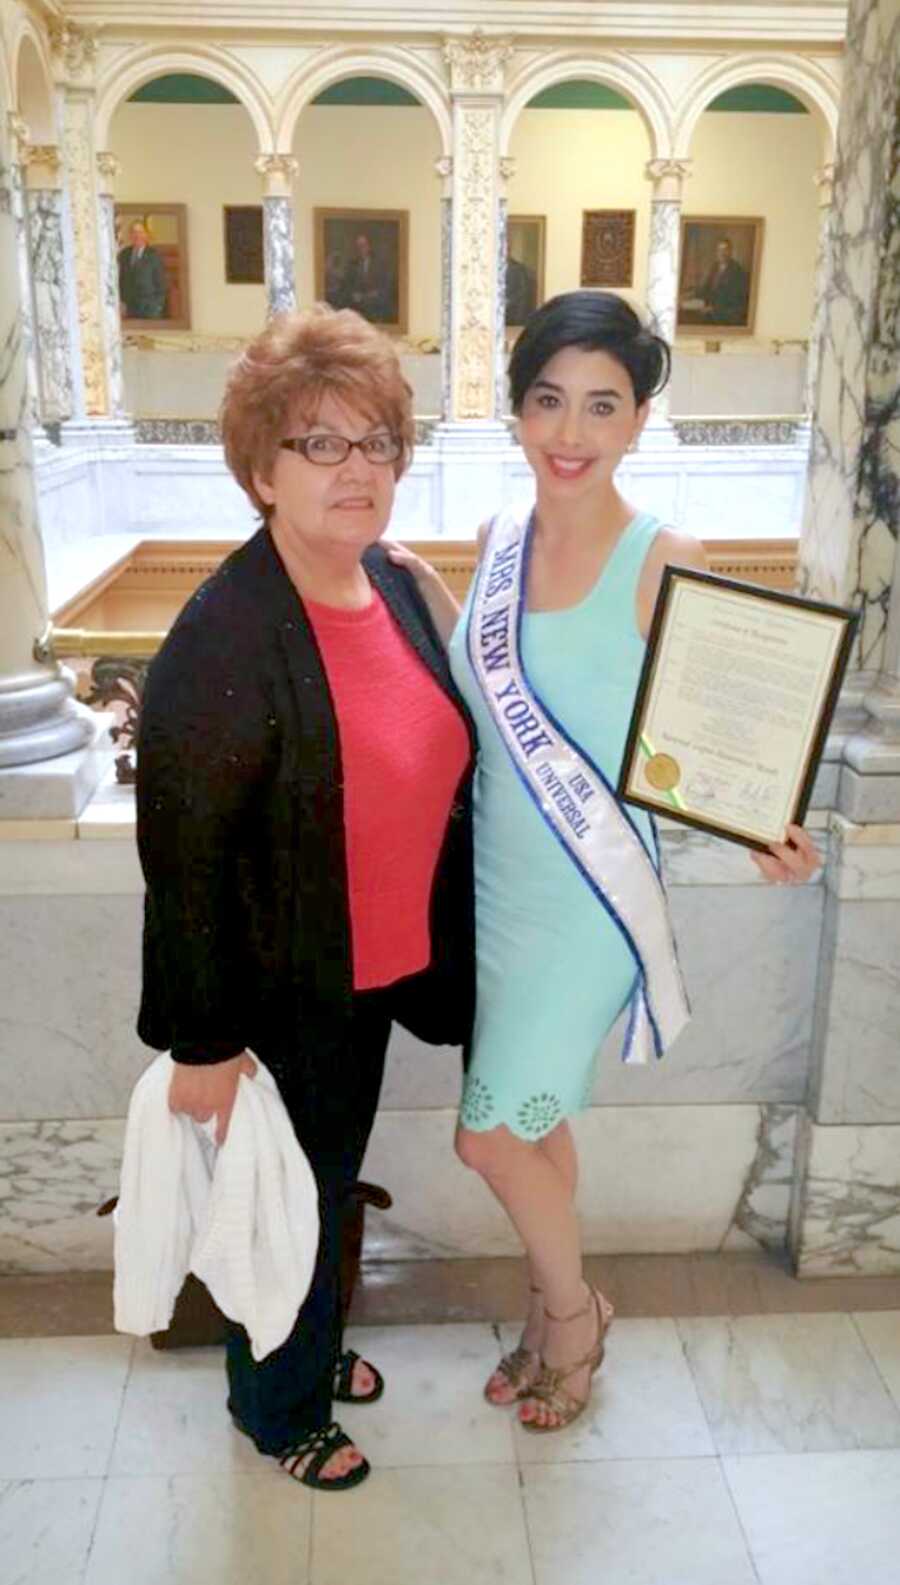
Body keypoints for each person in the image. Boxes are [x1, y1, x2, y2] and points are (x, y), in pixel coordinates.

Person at [388, 290, 818, 1434]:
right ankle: (544, 1309)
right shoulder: (497, 540)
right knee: (533, 1122)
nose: (569, 433)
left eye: (601, 406)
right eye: (547, 402)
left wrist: (766, 823)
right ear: (518, 409)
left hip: (584, 899)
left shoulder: (662, 554)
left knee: (488, 1133)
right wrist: (420, 587)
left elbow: (719, 729)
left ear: (637, 421)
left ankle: (576, 1318)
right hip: (495, 889)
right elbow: (483, 685)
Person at [135, 305, 475, 1491]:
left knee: (324, 1188)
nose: (357, 469)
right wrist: (204, 1040)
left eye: (376, 440)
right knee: (286, 1206)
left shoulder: (385, 581)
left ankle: (314, 1351)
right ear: (259, 469)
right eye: (319, 444)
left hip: (371, 971)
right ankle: (277, 1411)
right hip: (278, 988)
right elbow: (183, 859)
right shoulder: (224, 633)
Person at [339, 232, 393, 322]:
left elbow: (385, 287)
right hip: (357, 309)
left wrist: (372, 295)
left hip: (375, 309)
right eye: (358, 246)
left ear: (369, 246)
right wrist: (353, 295)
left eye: (363, 245)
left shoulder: (380, 264)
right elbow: (346, 287)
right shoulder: (352, 265)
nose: (361, 249)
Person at [118, 220, 167, 319]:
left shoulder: (154, 255)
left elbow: (161, 283)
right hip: (129, 307)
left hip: (149, 307)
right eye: (134, 232)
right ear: (130, 235)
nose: (137, 235)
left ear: (146, 235)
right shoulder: (124, 254)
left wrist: (157, 307)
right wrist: (121, 302)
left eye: (140, 232)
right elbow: (120, 279)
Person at [695, 237, 750, 325]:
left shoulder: (738, 272)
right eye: (719, 250)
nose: (722, 253)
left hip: (726, 317)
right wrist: (691, 297)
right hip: (710, 312)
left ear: (731, 251)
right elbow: (705, 289)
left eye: (725, 249)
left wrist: (713, 309)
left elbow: (737, 302)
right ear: (716, 252)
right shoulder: (714, 268)